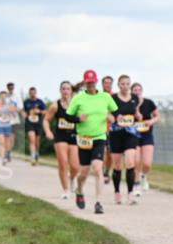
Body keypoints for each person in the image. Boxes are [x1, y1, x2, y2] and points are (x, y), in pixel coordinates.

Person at [67, 70, 118, 214]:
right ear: (85, 82)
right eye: (88, 82)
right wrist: (78, 119)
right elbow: (68, 116)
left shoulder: (105, 97)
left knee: (97, 169)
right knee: (83, 173)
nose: (90, 84)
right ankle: (79, 190)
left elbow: (115, 112)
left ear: (96, 82)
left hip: (99, 137)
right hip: (83, 139)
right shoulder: (78, 98)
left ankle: (98, 202)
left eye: (92, 82)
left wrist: (111, 117)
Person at [43, 81, 80, 199]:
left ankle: (72, 178)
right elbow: (46, 120)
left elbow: (82, 119)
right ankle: (65, 190)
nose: (65, 91)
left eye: (68, 89)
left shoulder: (77, 105)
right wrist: (48, 131)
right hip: (60, 137)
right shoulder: (55, 105)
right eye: (63, 89)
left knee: (75, 166)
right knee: (63, 163)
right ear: (60, 91)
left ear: (71, 91)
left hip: (74, 136)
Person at [108, 75, 141, 205]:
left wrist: (138, 116)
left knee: (129, 162)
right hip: (116, 133)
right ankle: (117, 192)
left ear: (130, 85)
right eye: (122, 84)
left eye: (127, 84)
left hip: (130, 133)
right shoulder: (113, 98)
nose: (125, 86)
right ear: (118, 85)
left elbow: (136, 113)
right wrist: (112, 117)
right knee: (116, 165)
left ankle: (130, 194)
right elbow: (108, 112)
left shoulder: (134, 98)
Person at [131, 82, 160, 194]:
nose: (137, 92)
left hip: (147, 135)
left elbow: (157, 116)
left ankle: (144, 176)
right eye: (135, 90)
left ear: (141, 91)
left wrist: (151, 121)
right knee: (136, 161)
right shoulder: (130, 104)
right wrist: (136, 106)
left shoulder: (149, 102)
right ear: (132, 92)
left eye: (139, 90)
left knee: (147, 163)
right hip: (134, 136)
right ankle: (136, 184)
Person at [22, 86, 47, 165]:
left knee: (37, 141)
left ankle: (36, 153)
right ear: (29, 93)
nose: (32, 94)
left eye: (33, 92)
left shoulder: (40, 102)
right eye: (31, 93)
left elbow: (45, 111)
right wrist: (24, 114)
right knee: (31, 139)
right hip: (29, 123)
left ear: (36, 93)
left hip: (38, 123)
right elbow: (22, 111)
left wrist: (39, 111)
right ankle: (32, 157)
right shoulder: (26, 102)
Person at [0, 91, 16, 164]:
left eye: (4, 96)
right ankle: (3, 158)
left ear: (6, 96)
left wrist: (11, 109)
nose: (3, 97)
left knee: (7, 143)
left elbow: (14, 115)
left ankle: (7, 153)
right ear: (0, 96)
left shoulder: (10, 103)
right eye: (1, 96)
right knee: (1, 142)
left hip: (8, 125)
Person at [101, 75, 114, 185]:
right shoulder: (98, 96)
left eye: (109, 83)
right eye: (106, 83)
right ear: (102, 84)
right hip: (100, 129)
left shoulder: (114, 97)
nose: (108, 85)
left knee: (110, 154)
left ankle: (106, 171)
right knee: (103, 152)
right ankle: (101, 173)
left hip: (112, 130)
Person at [5, 82, 22, 157]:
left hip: (14, 120)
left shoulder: (17, 96)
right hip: (6, 120)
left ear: (13, 88)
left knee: (12, 137)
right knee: (7, 137)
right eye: (9, 88)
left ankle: (9, 151)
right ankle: (7, 151)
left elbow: (20, 107)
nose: (11, 89)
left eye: (12, 88)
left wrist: (13, 109)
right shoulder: (5, 97)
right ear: (7, 88)